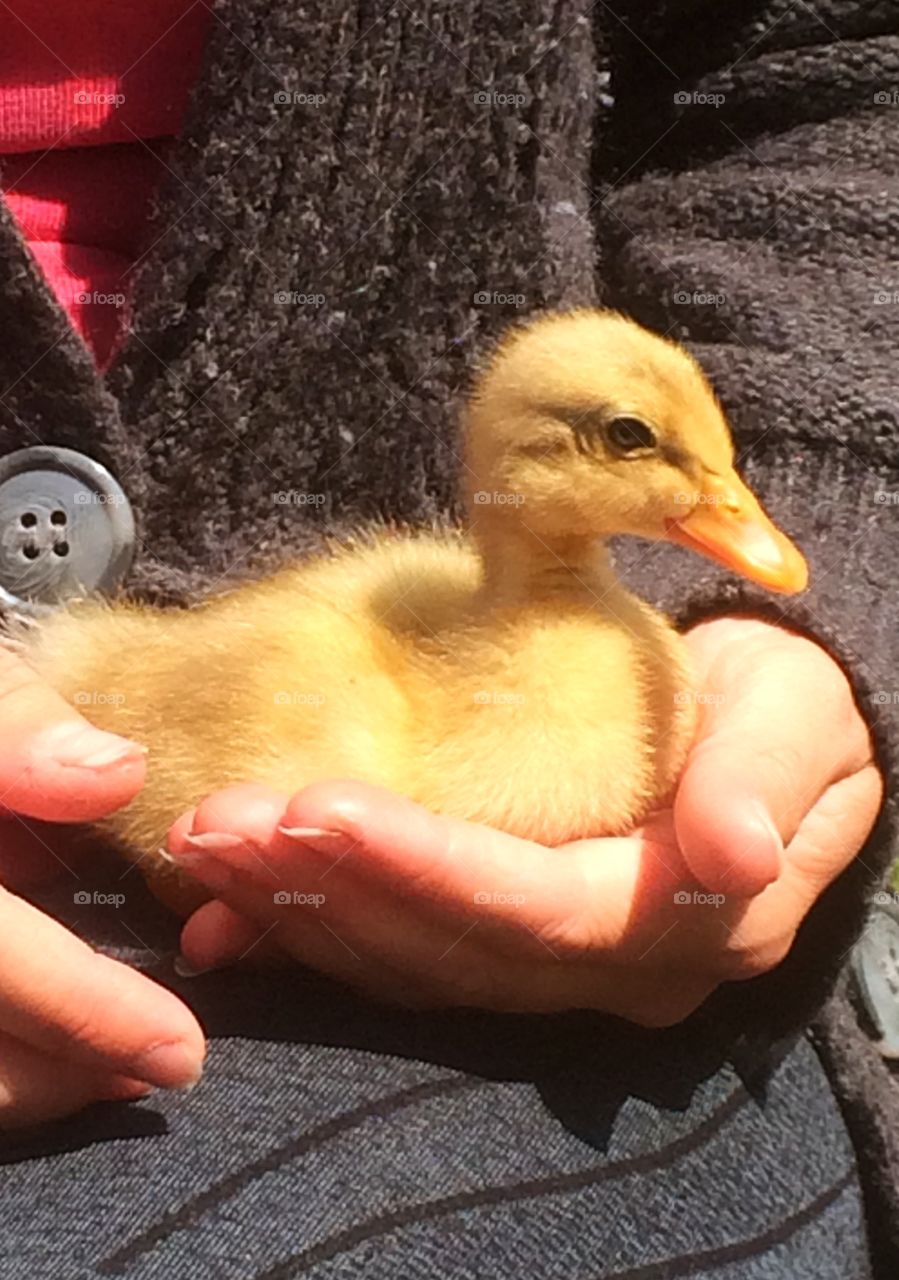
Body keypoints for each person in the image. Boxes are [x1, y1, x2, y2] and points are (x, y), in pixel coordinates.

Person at [0, 1, 897, 1276]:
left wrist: (820, 598)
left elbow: (822, 75)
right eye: (641, 449)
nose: (733, 507)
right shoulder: (340, 698)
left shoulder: (503, 621)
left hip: (589, 1030)